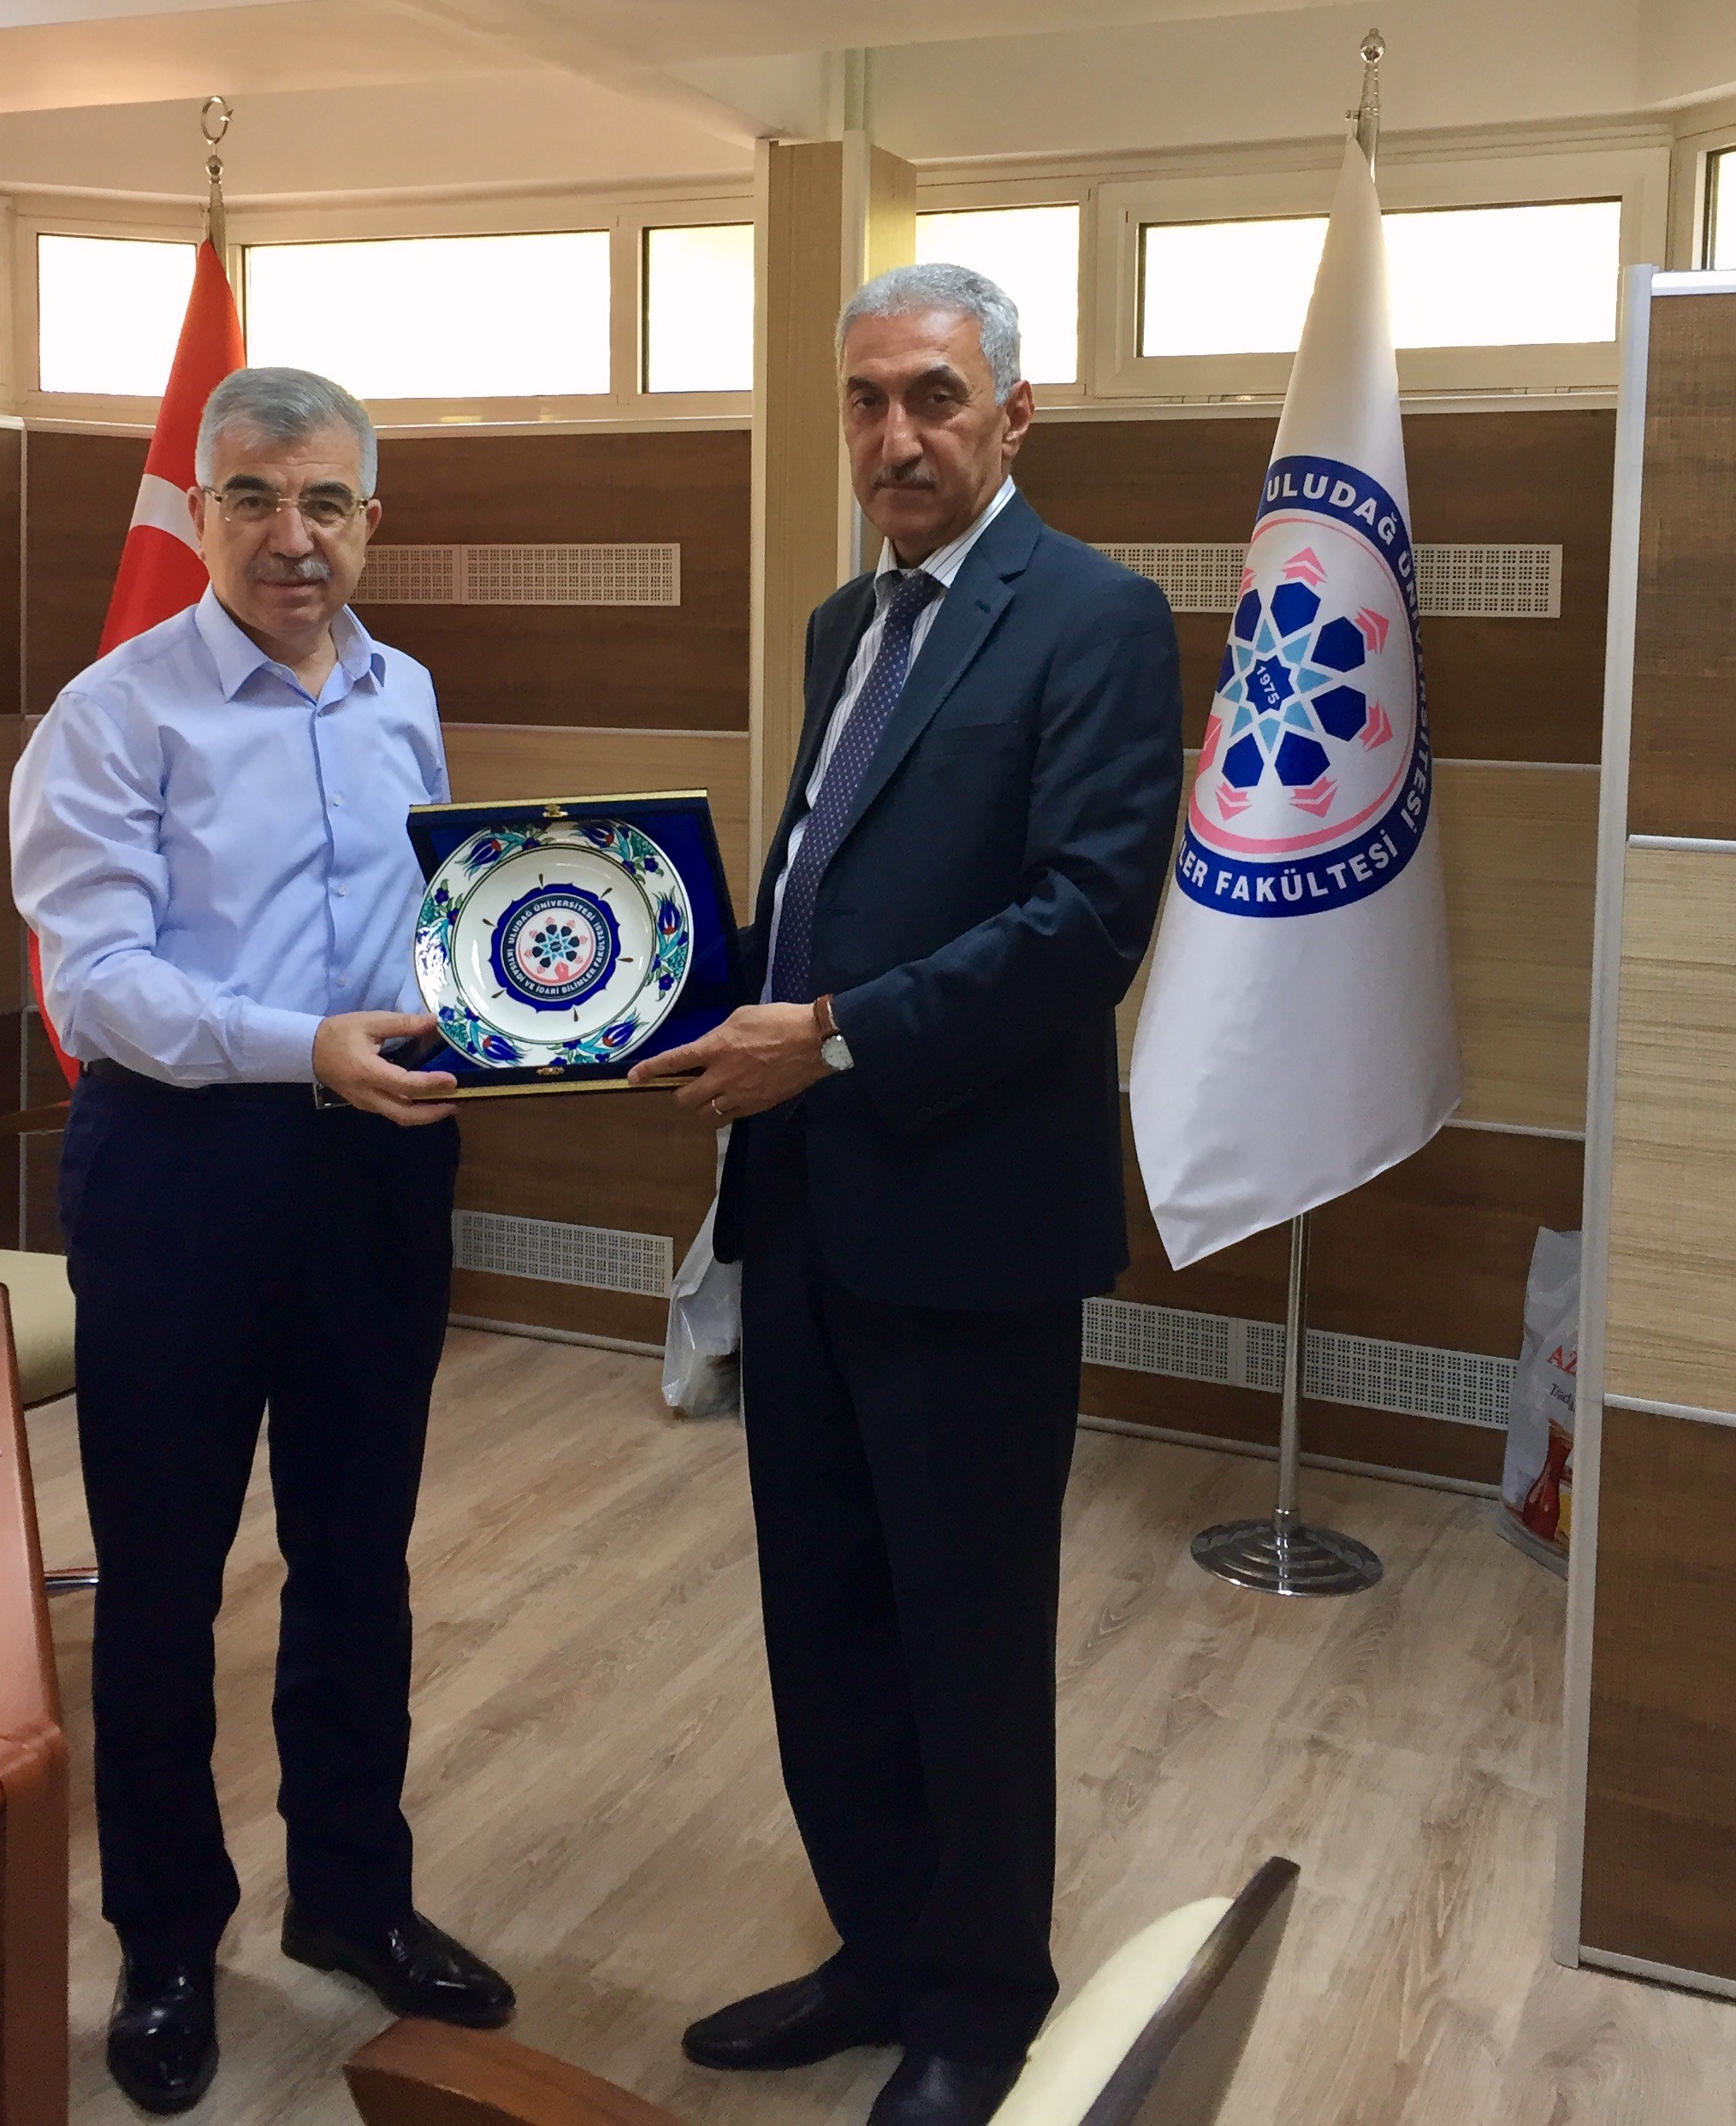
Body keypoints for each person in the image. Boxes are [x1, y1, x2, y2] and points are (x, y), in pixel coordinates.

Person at [631, 264, 1182, 2126]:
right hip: (803, 1206)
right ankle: (876, 1947)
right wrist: (662, 1002)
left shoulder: (1094, 617)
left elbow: (1084, 920)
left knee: (965, 1631)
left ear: (1014, 412)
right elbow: (819, 884)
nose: (896, 436)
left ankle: (980, 2001)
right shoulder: (839, 625)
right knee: (830, 1618)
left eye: (935, 396)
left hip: (967, 1220)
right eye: (867, 400)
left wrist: (835, 1037)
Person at [11, 366, 512, 2117]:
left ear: (373, 518)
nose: (292, 537)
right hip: (180, 1177)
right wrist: (301, 1049)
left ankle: (353, 1899)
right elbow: (99, 986)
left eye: (325, 502)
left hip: (377, 1173)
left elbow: (433, 923)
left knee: (357, 1559)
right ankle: (166, 1943)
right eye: (252, 498)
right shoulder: (112, 714)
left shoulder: (404, 696)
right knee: (162, 1585)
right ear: (200, 511)